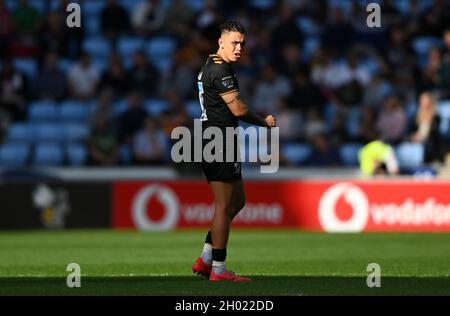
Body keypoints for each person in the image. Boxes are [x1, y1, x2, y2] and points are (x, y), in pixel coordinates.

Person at [192, 21, 276, 282]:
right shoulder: (220, 70)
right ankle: (218, 270)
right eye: (234, 43)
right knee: (223, 205)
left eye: (242, 43)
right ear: (221, 42)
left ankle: (206, 258)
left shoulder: (211, 65)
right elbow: (238, 109)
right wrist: (264, 122)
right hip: (218, 139)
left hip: (218, 137)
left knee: (237, 202)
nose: (239, 48)